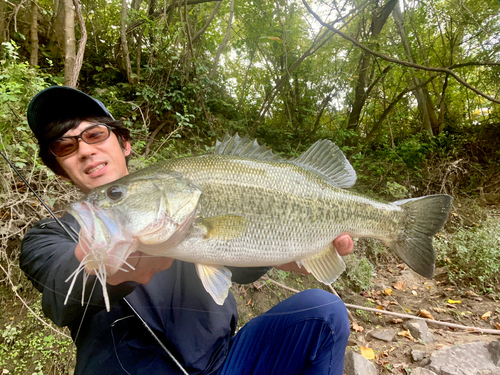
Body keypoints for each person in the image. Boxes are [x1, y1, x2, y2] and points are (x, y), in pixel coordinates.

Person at [20, 86, 354, 375]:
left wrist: (286, 251)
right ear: (60, 170)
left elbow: (240, 262)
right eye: (65, 146)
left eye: (94, 134)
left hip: (228, 362)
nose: (84, 150)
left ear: (124, 144)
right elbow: (59, 293)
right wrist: (102, 268)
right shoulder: (46, 237)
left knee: (324, 313)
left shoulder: (176, 196)